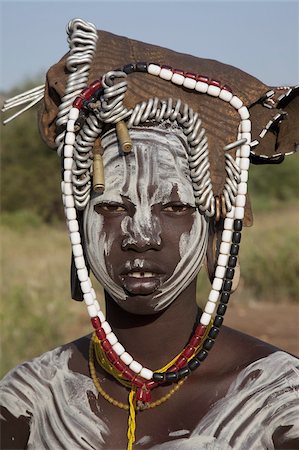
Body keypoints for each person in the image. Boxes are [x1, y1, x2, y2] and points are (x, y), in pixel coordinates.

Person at [1, 18, 298, 450]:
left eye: (175, 207)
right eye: (112, 207)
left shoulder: (278, 403)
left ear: (218, 229)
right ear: (78, 229)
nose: (141, 235)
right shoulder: (30, 400)